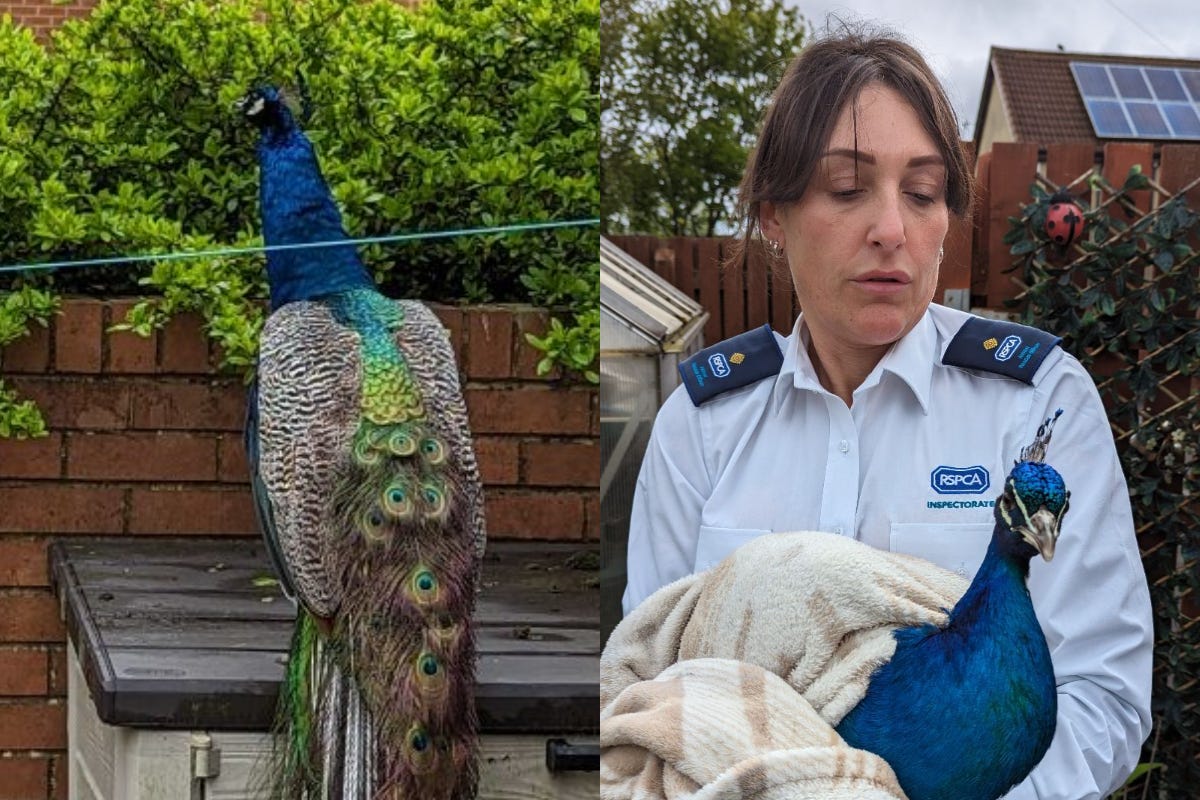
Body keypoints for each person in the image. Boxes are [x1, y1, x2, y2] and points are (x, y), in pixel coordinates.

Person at [621, 28, 1153, 800]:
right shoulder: (703, 424)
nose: (891, 231)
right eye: (847, 189)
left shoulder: (1040, 407)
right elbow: (657, 682)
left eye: (923, 193)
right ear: (775, 214)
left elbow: (1100, 692)